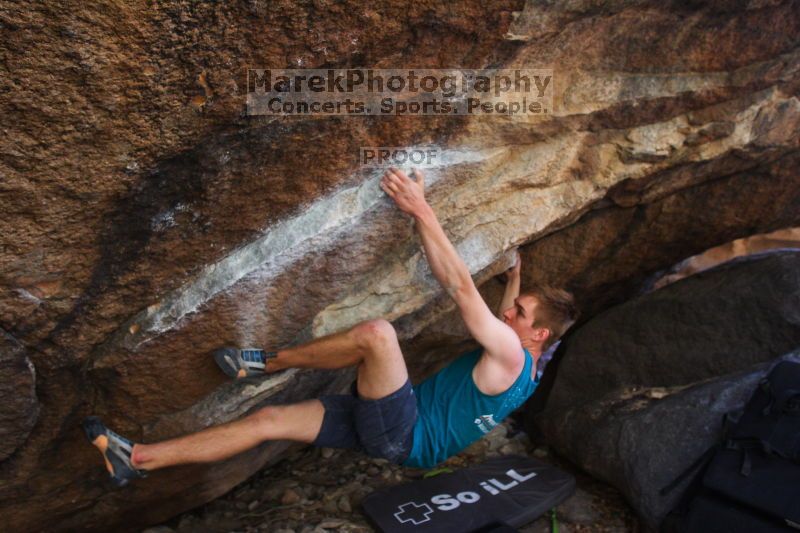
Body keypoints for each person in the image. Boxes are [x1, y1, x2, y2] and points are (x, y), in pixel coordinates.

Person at [83, 167, 577, 486]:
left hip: (402, 432)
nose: (507, 313)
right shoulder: (528, 367)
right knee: (268, 423)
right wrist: (517, 280)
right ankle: (138, 459)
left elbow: (464, 293)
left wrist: (420, 209)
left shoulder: (510, 354)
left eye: (520, 315)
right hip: (399, 435)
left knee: (377, 336)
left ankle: (263, 364)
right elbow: (504, 322)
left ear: (537, 336)